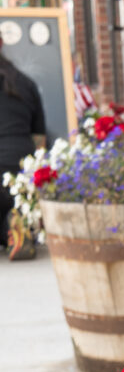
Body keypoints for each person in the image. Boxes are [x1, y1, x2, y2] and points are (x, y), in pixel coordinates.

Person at [0, 35, 46, 258]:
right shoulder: (26, 83)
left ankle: (9, 231)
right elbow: (39, 140)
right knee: (13, 205)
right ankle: (16, 226)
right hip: (22, 176)